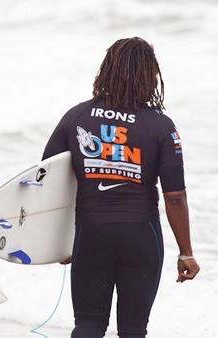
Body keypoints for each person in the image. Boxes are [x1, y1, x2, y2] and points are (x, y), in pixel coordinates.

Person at [42, 37, 200, 337]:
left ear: (107, 70)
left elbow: (48, 178)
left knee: (88, 324)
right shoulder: (161, 126)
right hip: (141, 236)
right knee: (133, 329)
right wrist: (186, 252)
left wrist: (60, 240)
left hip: (92, 234)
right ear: (149, 76)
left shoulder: (77, 116)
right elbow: (175, 196)